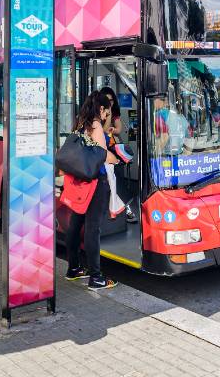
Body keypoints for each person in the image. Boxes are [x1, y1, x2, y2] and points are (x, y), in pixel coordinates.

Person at [59, 92, 117, 291]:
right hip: (94, 182)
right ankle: (96, 277)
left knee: (75, 224)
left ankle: (73, 268)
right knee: (93, 229)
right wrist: (117, 158)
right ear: (101, 109)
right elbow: (101, 155)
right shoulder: (96, 125)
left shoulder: (81, 122)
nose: (106, 116)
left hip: (79, 181)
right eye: (106, 112)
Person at [99, 87, 136, 223]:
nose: (110, 102)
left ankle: (126, 208)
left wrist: (113, 129)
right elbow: (101, 132)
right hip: (103, 149)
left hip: (113, 147)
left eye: (111, 100)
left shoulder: (113, 114)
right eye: (107, 100)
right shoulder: (99, 115)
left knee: (117, 177)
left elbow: (119, 128)